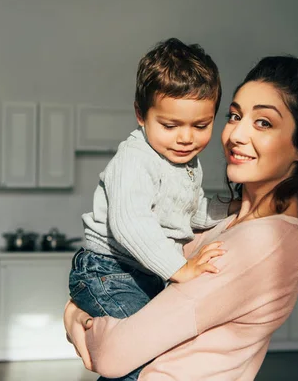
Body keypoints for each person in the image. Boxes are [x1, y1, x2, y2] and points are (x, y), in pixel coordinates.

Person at [65, 55, 298, 380]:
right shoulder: (231, 220)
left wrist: (76, 318)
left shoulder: (265, 242)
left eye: (263, 122)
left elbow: (112, 354)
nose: (236, 135)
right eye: (235, 116)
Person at [69, 38, 235, 380]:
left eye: (200, 126)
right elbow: (131, 223)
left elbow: (191, 211)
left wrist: (234, 208)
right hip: (107, 271)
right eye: (170, 125)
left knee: (144, 357)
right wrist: (180, 268)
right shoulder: (135, 159)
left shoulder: (186, 163)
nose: (185, 138)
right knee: (140, 359)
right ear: (141, 115)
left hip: (139, 273)